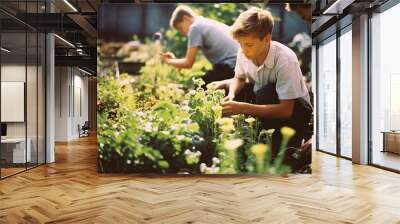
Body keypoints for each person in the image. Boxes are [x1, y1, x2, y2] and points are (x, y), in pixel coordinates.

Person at [213, 7, 313, 167]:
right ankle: (252, 135)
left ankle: (279, 142)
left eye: (249, 45)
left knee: (265, 93)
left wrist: (243, 108)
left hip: (295, 111)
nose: (244, 50)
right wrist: (231, 95)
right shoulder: (244, 51)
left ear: (267, 39)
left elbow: (286, 110)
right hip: (262, 98)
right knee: (233, 89)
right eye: (240, 44)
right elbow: (239, 77)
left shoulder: (285, 60)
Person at [161, 5, 239, 87]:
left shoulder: (195, 28)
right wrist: (174, 60)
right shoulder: (204, 22)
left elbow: (188, 63)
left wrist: (167, 61)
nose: (182, 33)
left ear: (185, 18)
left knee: (200, 87)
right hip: (239, 64)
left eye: (180, 28)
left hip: (230, 67)